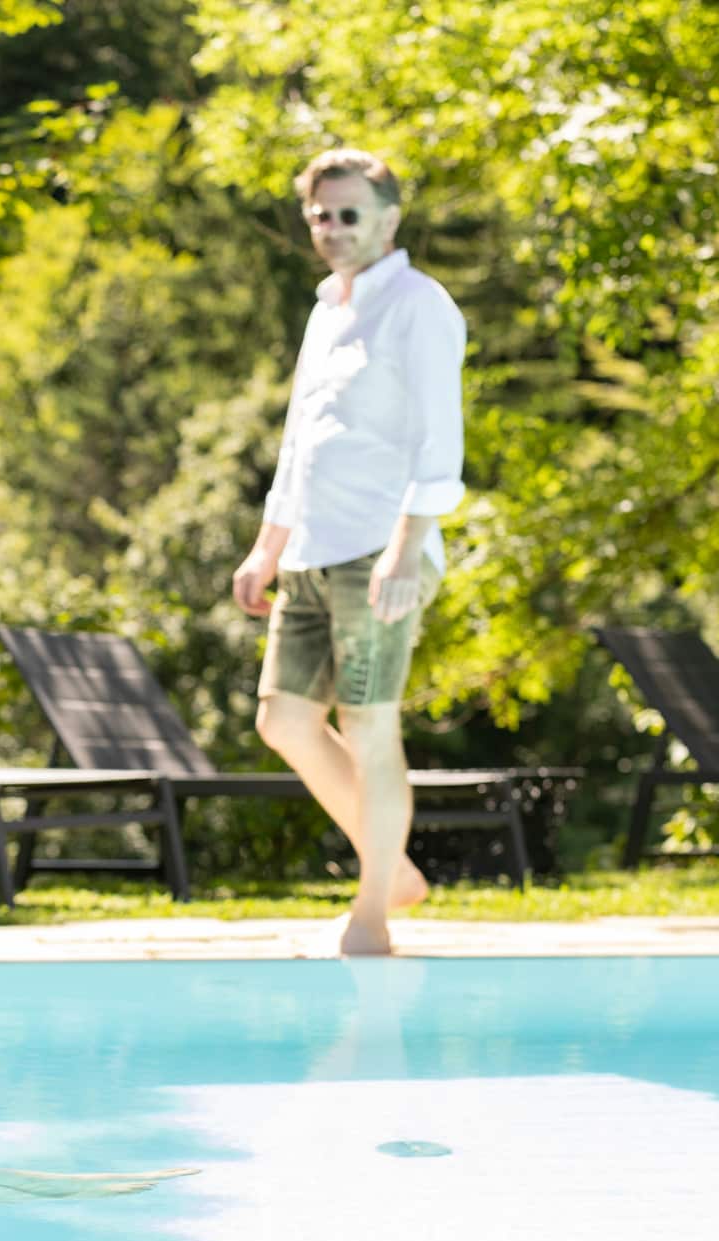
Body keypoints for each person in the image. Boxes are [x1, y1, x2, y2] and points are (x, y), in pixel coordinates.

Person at [230, 148, 467, 957]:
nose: (331, 229)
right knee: (284, 720)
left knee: (370, 728)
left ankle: (373, 916)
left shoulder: (419, 305)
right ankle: (391, 866)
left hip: (379, 550)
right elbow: (302, 441)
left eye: (348, 214)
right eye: (320, 215)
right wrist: (268, 545)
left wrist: (407, 546)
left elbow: (441, 439)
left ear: (389, 218)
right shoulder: (325, 307)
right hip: (310, 551)